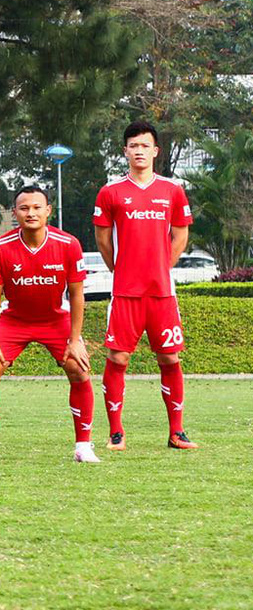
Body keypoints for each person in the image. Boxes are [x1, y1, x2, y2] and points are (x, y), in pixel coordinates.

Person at [93, 121, 197, 450]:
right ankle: (116, 433)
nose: (139, 151)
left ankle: (176, 432)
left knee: (170, 359)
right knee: (118, 359)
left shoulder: (172, 191)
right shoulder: (110, 192)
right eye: (133, 146)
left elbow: (180, 235)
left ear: (155, 151)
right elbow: (103, 239)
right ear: (125, 151)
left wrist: (161, 267)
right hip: (125, 292)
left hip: (163, 293)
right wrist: (120, 269)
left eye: (144, 146)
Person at [0, 185, 94, 463]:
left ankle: (84, 446)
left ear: (48, 211)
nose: (31, 213)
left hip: (55, 320)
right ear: (15, 213)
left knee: (78, 368)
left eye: (37, 207)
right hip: (15, 320)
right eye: (24, 208)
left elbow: (76, 295)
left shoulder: (68, 244)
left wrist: (75, 340)